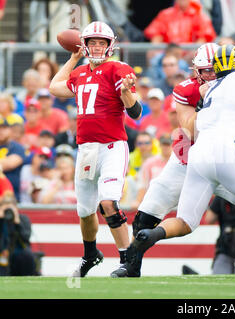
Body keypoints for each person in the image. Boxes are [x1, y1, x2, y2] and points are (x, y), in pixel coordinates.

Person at [112, 44, 235, 278]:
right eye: (204, 71)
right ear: (195, 71)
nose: (209, 75)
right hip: (188, 161)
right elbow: (190, 129)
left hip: (205, 161)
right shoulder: (197, 88)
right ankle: (132, 264)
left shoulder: (231, 84)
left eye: (212, 69)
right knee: (147, 214)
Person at [49, 21, 142, 277]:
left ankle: (128, 260)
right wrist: (73, 58)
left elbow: (135, 112)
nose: (98, 47)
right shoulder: (79, 73)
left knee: (108, 202)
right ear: (85, 45)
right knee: (85, 210)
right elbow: (54, 87)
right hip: (86, 150)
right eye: (93, 42)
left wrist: (126, 93)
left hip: (112, 146)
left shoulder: (117, 69)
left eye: (102, 42)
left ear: (110, 45)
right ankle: (91, 255)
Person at [0, 175, 41, 276]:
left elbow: (25, 238)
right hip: (3, 251)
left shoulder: (23, 218)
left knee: (27, 255)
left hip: (19, 252)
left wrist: (17, 222)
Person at [143, 0, 216, 44]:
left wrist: (193, 52)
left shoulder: (198, 15)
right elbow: (156, 34)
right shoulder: (165, 14)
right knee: (152, 53)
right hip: (169, 53)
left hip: (190, 55)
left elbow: (204, 37)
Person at [0, 117, 26, 202]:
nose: (1, 131)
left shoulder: (17, 147)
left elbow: (10, 164)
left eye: (3, 128)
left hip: (11, 198)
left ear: (9, 130)